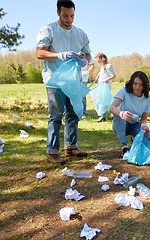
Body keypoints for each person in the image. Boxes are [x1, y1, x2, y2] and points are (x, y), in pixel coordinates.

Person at [36, 0, 91, 163]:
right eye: (65, 16)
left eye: (72, 16)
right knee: (56, 115)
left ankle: (71, 147)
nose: (69, 20)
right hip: (55, 80)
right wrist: (60, 55)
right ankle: (52, 151)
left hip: (75, 81)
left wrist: (84, 61)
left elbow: (87, 54)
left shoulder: (80, 33)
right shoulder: (48, 30)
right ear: (58, 13)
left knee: (74, 114)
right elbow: (40, 53)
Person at [110, 71, 150, 156]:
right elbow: (112, 108)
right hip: (121, 125)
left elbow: (144, 118)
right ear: (131, 83)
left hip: (136, 124)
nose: (137, 87)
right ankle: (124, 146)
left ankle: (134, 138)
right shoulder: (124, 91)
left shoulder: (148, 98)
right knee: (118, 115)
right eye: (135, 83)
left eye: (141, 84)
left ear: (145, 85)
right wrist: (121, 113)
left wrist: (144, 125)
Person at [94, 52, 116, 122]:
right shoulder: (102, 67)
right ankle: (102, 115)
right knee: (101, 100)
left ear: (102, 59)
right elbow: (103, 74)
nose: (98, 62)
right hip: (101, 86)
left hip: (106, 87)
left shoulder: (108, 66)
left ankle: (113, 114)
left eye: (98, 61)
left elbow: (113, 75)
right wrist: (99, 74)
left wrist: (108, 79)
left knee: (108, 100)